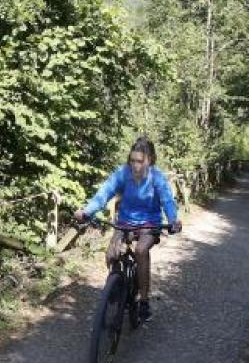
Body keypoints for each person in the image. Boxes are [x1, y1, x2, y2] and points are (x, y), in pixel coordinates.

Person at [73, 137, 182, 322]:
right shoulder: (122, 174)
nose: (135, 165)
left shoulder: (157, 177)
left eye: (140, 161)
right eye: (132, 160)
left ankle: (144, 301)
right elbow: (104, 193)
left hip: (150, 223)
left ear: (150, 160)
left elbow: (167, 200)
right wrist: (87, 211)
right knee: (111, 254)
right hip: (125, 222)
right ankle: (116, 287)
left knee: (140, 250)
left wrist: (173, 220)